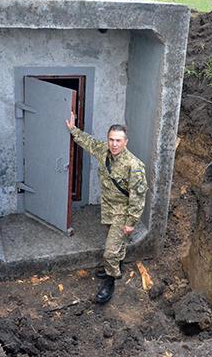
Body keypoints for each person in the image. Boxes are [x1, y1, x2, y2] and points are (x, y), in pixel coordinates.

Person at [65, 111, 148, 304]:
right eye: (111, 139)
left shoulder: (134, 166)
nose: (114, 144)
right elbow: (89, 142)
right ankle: (117, 266)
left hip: (123, 212)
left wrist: (131, 222)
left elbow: (138, 196)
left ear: (126, 142)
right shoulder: (104, 151)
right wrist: (73, 129)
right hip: (108, 209)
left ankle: (110, 282)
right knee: (116, 246)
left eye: (118, 140)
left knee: (109, 251)